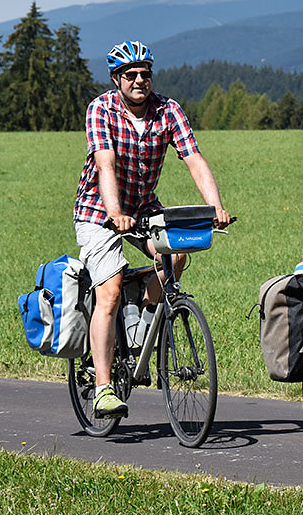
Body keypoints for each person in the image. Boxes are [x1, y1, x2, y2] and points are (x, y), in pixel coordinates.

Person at [73, 40, 232, 418]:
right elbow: (105, 164)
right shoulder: (102, 109)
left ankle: (143, 312)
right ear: (116, 79)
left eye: (145, 73)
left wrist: (216, 207)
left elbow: (193, 158)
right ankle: (103, 387)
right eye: (131, 75)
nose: (139, 80)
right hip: (99, 211)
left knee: (176, 255)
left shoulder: (168, 110)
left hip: (144, 209)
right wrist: (115, 213)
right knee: (108, 291)